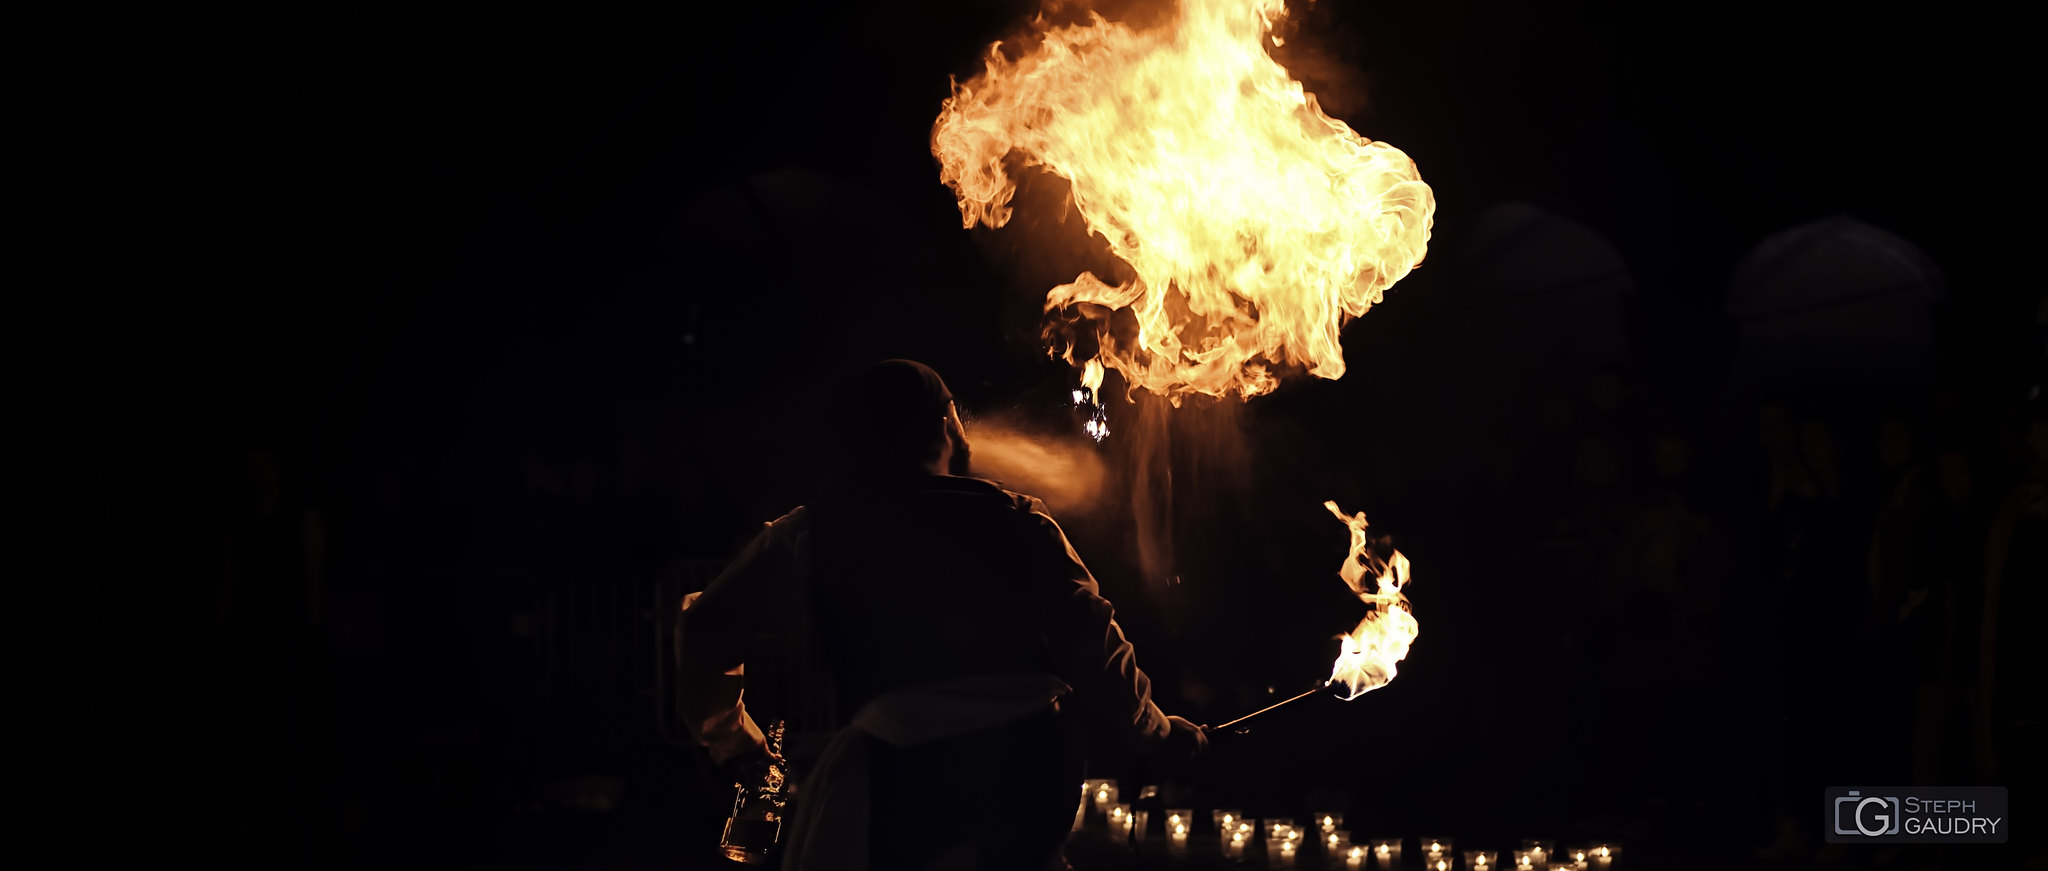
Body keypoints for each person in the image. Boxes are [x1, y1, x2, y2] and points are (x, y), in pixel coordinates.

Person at [677, 359, 1207, 871]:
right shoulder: (1020, 520)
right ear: (948, 422)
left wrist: (737, 743)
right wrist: (1156, 735)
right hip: (1028, 766)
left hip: (901, 775)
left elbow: (703, 631)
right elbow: (1094, 645)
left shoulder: (809, 536)